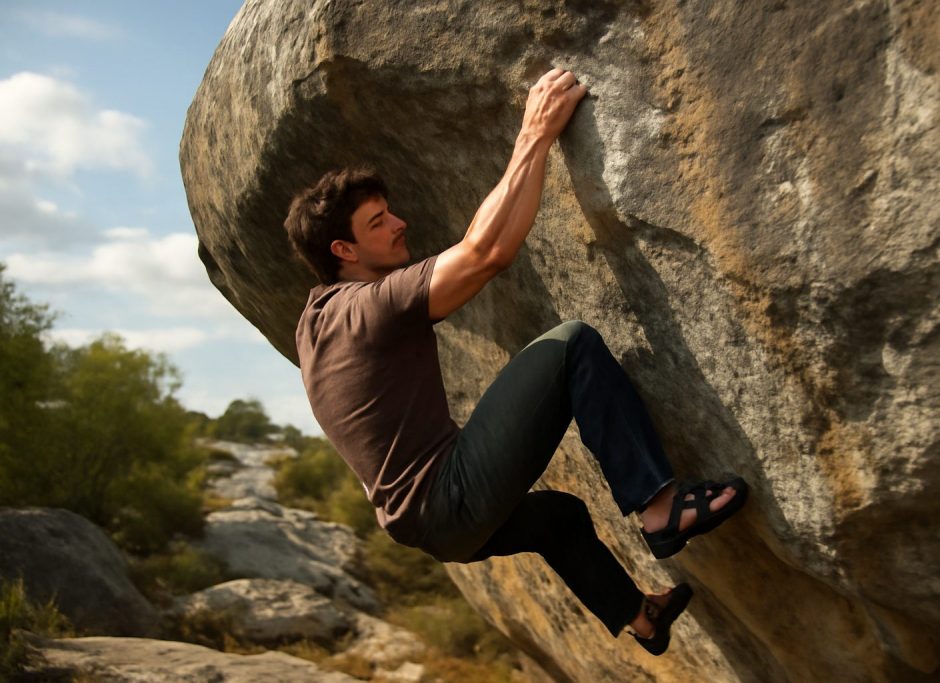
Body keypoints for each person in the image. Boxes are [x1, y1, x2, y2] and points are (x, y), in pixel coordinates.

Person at [285, 67, 748, 656]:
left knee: (558, 517)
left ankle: (641, 616)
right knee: (572, 343)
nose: (400, 223)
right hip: (447, 496)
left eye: (390, 211)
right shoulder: (367, 307)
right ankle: (662, 510)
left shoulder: (316, 320)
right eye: (379, 223)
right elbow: (487, 253)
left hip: (426, 529)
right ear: (343, 251)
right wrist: (535, 134)